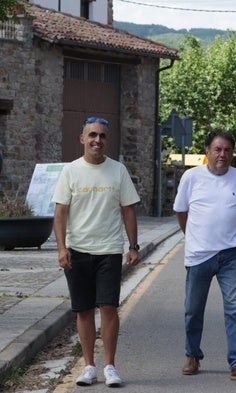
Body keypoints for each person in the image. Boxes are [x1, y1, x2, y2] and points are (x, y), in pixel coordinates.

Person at [53, 116, 141, 387]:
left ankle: (110, 366)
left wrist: (134, 246)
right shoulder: (70, 171)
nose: (97, 140)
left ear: (107, 140)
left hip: (109, 251)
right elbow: (60, 213)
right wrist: (61, 248)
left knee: (109, 307)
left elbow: (128, 210)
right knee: (83, 310)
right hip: (78, 250)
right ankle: (89, 365)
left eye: (102, 136)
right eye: (92, 135)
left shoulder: (118, 171)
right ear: (82, 139)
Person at [173, 130, 236, 382]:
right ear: (207, 151)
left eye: (227, 150)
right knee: (193, 310)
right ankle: (192, 355)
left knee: (234, 309)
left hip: (231, 256)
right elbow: (181, 211)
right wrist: (196, 236)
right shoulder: (191, 177)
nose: (222, 154)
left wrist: (229, 235)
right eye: (217, 149)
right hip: (199, 255)